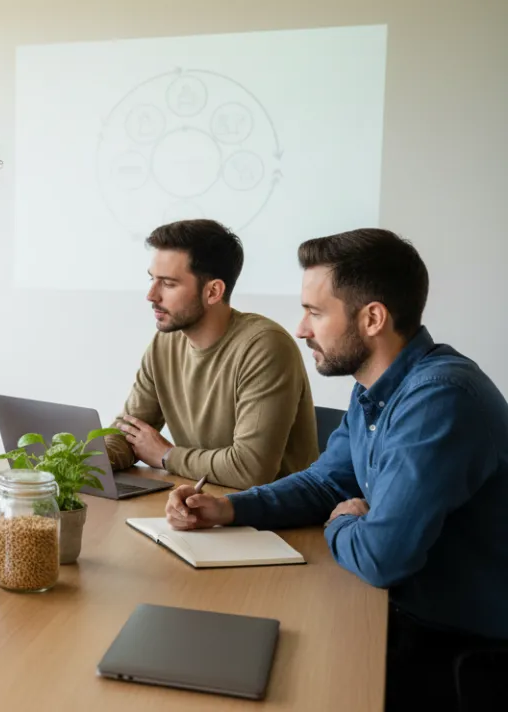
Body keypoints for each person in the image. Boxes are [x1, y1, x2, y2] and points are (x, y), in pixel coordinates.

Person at [165, 228, 508, 708]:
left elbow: (382, 556)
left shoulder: (440, 400)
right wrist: (227, 508)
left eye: (315, 311)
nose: (302, 329)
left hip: (462, 655)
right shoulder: (377, 385)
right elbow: (327, 481)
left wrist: (344, 520)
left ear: (372, 318)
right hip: (399, 616)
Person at [103, 219, 317, 489]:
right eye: (152, 279)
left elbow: (250, 470)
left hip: (271, 519)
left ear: (213, 291)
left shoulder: (265, 347)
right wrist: (75, 462)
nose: (151, 295)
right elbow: (127, 434)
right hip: (199, 505)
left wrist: (167, 456)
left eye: (168, 284)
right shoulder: (164, 343)